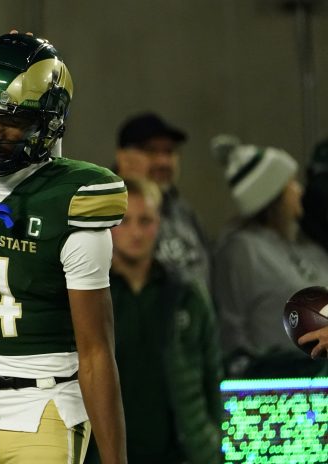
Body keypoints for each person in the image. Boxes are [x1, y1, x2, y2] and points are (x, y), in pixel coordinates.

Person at [0, 32, 128, 464]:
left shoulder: (74, 199)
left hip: (47, 408)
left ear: (47, 121)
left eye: (13, 118)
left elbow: (96, 352)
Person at [87, 177, 222, 464]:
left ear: (158, 223)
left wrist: (210, 441)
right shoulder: (89, 296)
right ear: (109, 227)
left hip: (178, 453)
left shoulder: (187, 294)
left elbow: (212, 374)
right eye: (125, 221)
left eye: (145, 220)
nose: (135, 232)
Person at [211, 135, 328, 378]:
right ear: (273, 196)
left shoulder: (304, 245)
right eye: (291, 184)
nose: (300, 190)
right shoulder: (241, 250)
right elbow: (232, 330)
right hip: (279, 386)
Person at [115, 112, 211, 291]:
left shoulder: (183, 212)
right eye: (151, 151)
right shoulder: (103, 212)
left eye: (169, 151)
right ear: (123, 158)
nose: (163, 161)